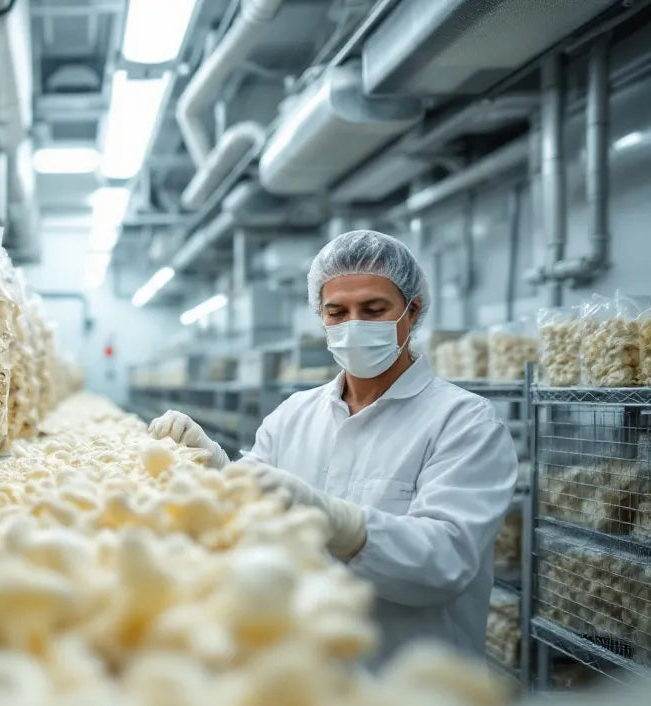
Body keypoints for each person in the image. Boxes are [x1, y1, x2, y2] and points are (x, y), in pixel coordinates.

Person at [149, 230, 517, 669]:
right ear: (320, 316)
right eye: (336, 312)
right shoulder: (293, 415)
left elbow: (446, 561)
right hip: (305, 676)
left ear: (412, 310)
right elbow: (254, 504)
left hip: (412, 683)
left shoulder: (464, 422)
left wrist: (342, 524)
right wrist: (211, 464)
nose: (352, 325)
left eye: (374, 310)